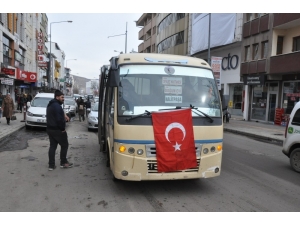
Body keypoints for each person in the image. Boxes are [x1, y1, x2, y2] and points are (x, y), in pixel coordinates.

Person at [46, 90, 72, 171]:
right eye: (62, 97)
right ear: (57, 97)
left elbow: (57, 114)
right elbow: (59, 119)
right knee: (65, 145)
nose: (63, 99)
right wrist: (62, 129)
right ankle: (63, 162)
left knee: (53, 146)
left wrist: (64, 115)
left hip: (50, 129)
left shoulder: (51, 104)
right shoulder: (57, 106)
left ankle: (51, 165)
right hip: (58, 130)